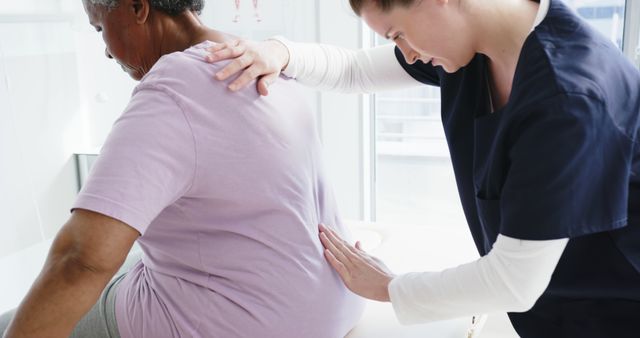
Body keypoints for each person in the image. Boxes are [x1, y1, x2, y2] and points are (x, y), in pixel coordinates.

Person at [205, 0, 640, 337]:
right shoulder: (476, 49)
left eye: (397, 33)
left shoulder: (571, 97)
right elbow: (355, 70)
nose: (405, 52)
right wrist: (276, 52)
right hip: (557, 311)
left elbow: (514, 281)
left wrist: (389, 287)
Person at [0, 0, 364, 337]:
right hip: (333, 305)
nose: (108, 51)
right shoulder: (257, 60)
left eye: (101, 29)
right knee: (133, 257)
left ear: (138, 7)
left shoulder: (173, 90)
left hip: (255, 324)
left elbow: (82, 259)